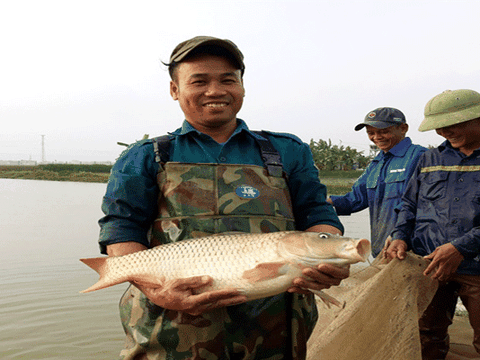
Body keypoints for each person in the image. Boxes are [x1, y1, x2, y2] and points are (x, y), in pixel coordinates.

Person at [98, 36, 349, 360]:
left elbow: (317, 213)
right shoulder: (147, 156)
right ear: (174, 89)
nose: (215, 90)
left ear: (242, 87)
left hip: (278, 330)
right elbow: (121, 227)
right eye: (199, 81)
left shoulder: (287, 150)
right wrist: (155, 288)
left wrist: (328, 257)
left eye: (227, 80)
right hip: (170, 332)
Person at [385, 89, 480, 359]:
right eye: (440, 126)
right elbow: (409, 205)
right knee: (426, 334)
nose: (445, 132)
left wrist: (460, 247)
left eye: (454, 123)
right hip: (430, 264)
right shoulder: (429, 159)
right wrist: (400, 236)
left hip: (476, 268)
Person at [327, 107, 426, 257]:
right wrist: (325, 201)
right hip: (383, 249)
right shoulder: (376, 163)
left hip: (411, 250)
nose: (376, 137)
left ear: (403, 128)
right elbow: (356, 199)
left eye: (383, 131)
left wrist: (401, 236)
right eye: (371, 133)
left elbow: (421, 204)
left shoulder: (420, 156)